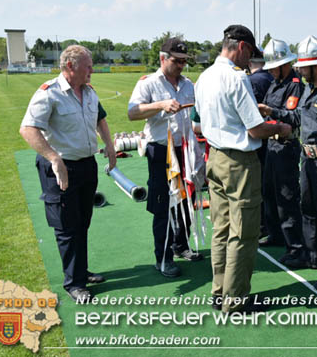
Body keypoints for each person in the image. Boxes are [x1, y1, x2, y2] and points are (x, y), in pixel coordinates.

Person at [195, 25, 291, 313]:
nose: (250, 61)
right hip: (239, 162)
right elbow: (255, 130)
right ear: (240, 47)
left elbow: (205, 120)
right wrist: (281, 128)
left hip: (215, 157)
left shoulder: (204, 77)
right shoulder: (237, 78)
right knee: (244, 232)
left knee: (221, 229)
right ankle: (235, 299)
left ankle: (219, 290)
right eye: (249, 53)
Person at [20, 45, 116, 302]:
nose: (92, 70)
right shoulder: (49, 94)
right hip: (60, 169)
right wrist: (54, 158)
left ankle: (80, 271)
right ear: (70, 66)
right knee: (66, 226)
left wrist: (110, 146)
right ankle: (74, 283)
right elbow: (28, 129)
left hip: (86, 166)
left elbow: (101, 120)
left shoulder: (89, 92)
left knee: (82, 222)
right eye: (88, 66)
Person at [260, 35, 317, 291]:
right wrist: (272, 112)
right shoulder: (309, 92)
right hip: (308, 161)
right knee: (308, 211)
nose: (299, 69)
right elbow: (298, 117)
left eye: (303, 65)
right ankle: (312, 258)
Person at [128, 38, 203, 278]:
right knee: (163, 206)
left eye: (184, 61)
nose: (181, 65)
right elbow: (132, 112)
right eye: (176, 61)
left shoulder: (188, 84)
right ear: (163, 58)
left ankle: (181, 245)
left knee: (186, 200)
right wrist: (161, 105)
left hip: (185, 150)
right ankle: (163, 258)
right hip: (161, 151)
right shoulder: (149, 83)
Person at [257, 38, 305, 263]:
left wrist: (271, 111)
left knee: (286, 197)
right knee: (268, 192)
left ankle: (296, 246)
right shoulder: (275, 83)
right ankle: (275, 234)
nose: (271, 72)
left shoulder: (295, 83)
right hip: (271, 146)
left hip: (286, 146)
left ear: (284, 64)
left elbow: (295, 117)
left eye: (274, 67)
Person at [245, 46, 275, 242]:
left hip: (258, 138)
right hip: (274, 137)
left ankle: (263, 225)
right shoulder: (272, 78)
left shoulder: (252, 81)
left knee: (259, 186)